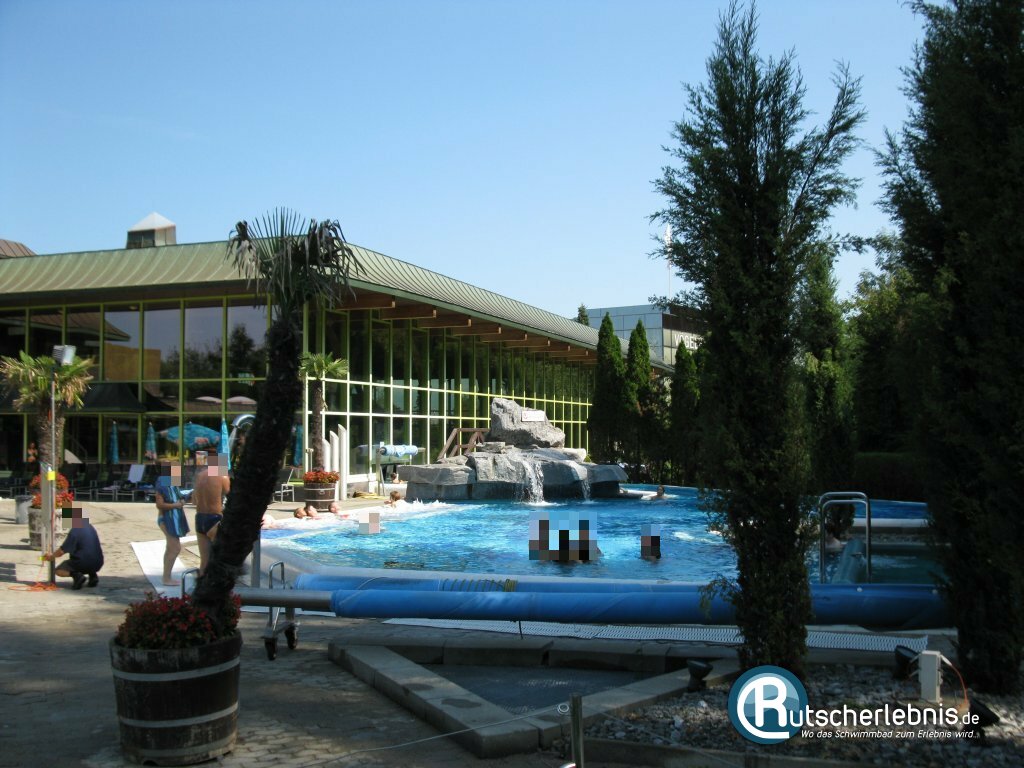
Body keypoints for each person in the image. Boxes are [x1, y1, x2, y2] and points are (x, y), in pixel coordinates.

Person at [42, 506, 104, 590]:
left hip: (83, 563)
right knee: (87, 555)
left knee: (59, 570)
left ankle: (77, 576)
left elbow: (61, 551)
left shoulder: (75, 531)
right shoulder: (90, 527)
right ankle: (93, 576)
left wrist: (51, 556)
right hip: (98, 563)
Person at [193, 449, 230, 575]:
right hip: (214, 519)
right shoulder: (222, 476)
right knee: (219, 560)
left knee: (204, 561)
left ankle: (201, 585)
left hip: (199, 518)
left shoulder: (200, 476)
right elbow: (231, 496)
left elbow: (194, 501)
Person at [154, 461, 189, 586]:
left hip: (171, 519)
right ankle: (166, 578)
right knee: (175, 548)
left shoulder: (172, 483)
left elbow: (178, 496)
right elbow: (159, 505)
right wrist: (176, 505)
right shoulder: (163, 482)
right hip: (166, 519)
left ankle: (166, 576)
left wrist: (182, 500)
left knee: (170, 548)